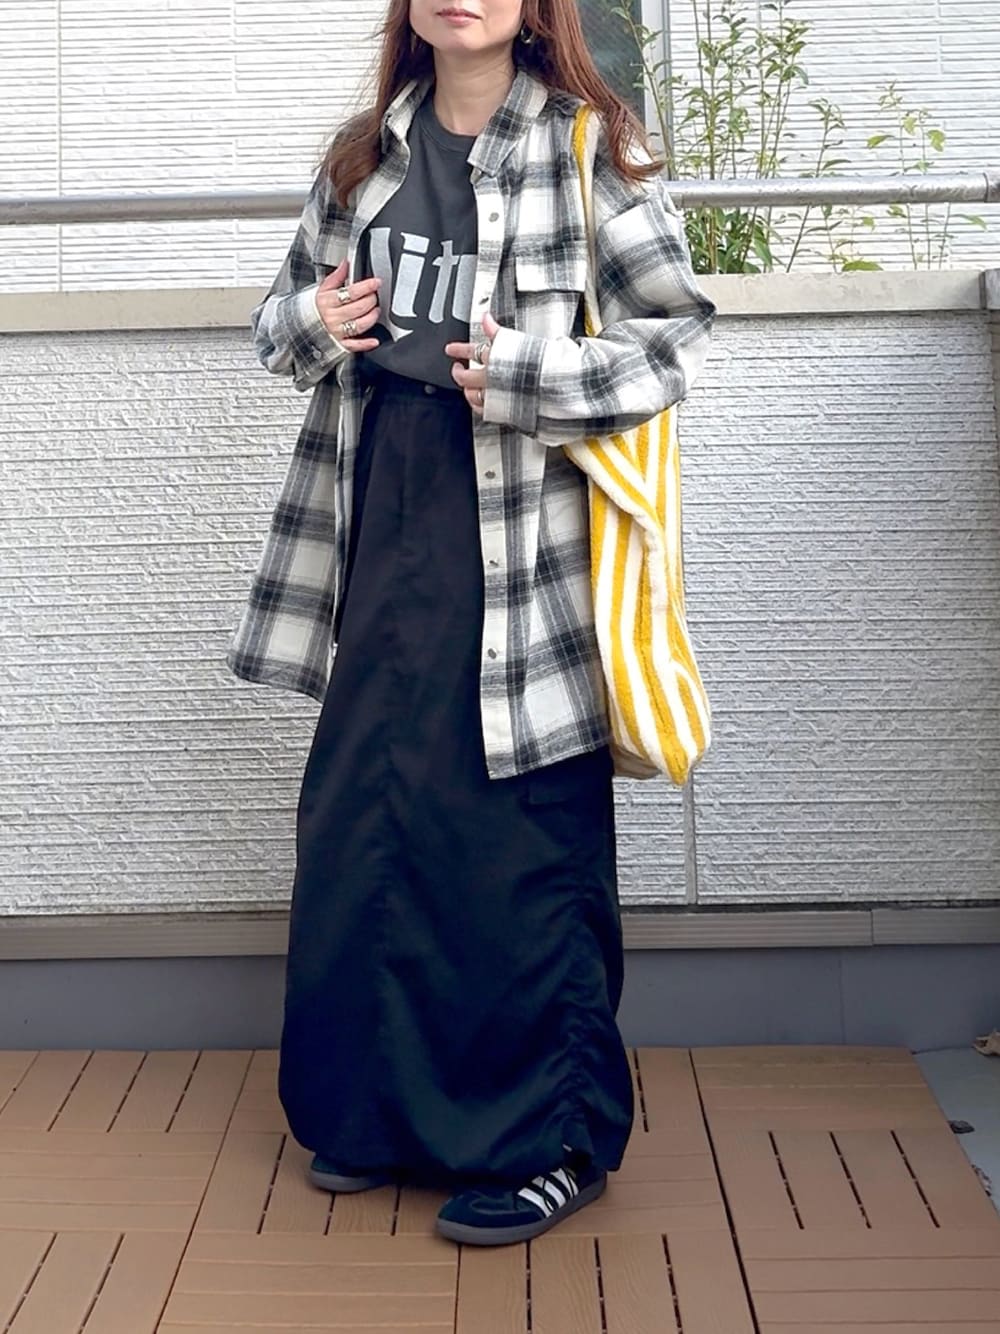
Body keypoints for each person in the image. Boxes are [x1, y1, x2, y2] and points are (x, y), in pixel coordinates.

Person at [226, 0, 715, 1247]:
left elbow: (677, 342)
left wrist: (531, 374)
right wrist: (316, 325)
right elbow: (276, 326)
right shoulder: (363, 157)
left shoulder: (591, 148)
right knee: (372, 810)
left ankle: (552, 1141)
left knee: (518, 832)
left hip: (519, 521)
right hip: (380, 503)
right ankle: (375, 1111)